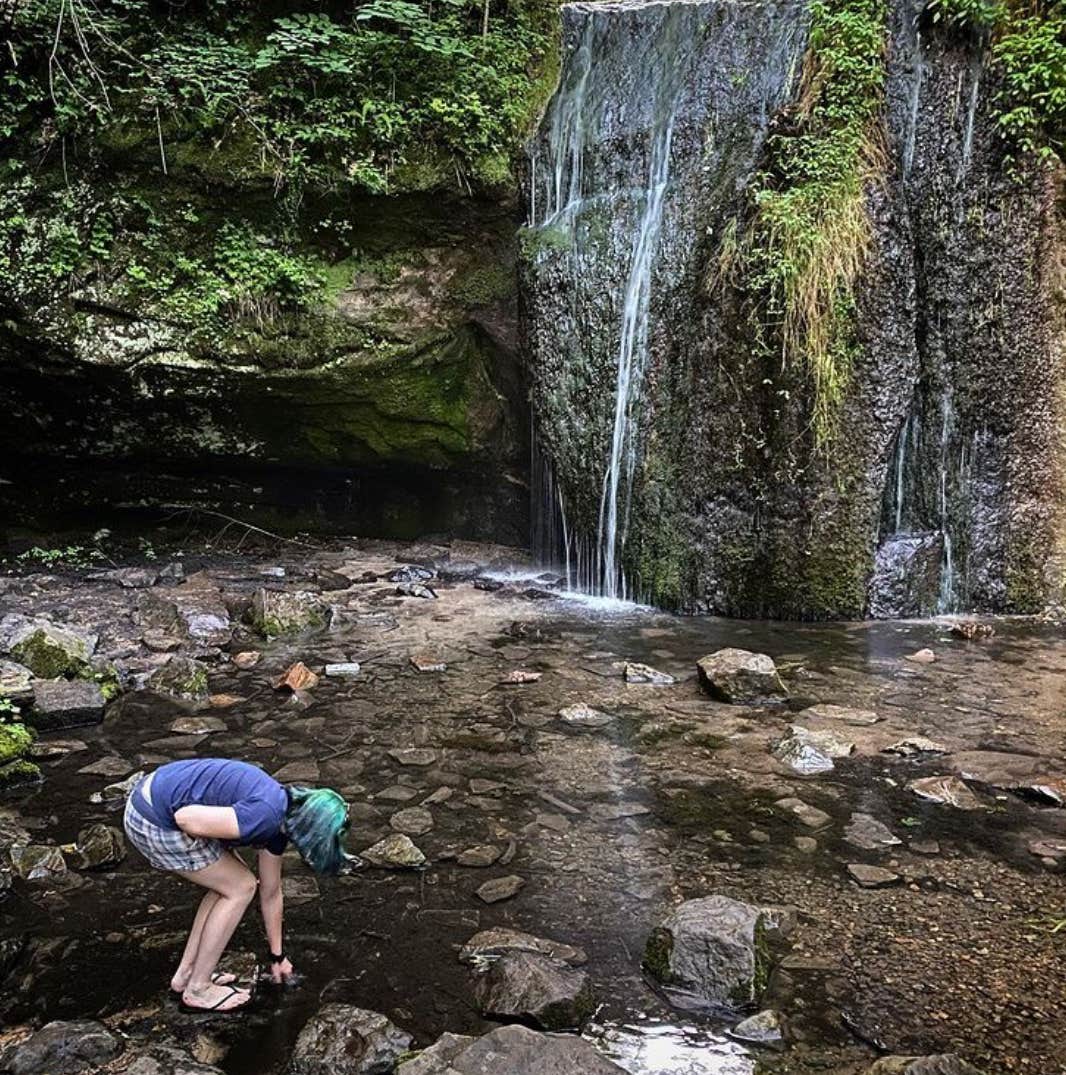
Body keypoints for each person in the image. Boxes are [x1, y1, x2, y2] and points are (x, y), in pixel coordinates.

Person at [123, 757, 356, 1013]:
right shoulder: (265, 814)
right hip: (152, 817)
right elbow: (185, 818)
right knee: (240, 886)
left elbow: (271, 892)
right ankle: (198, 989)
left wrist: (277, 956)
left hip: (151, 801)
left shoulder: (280, 818)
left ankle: (186, 975)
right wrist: (215, 843)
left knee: (228, 883)